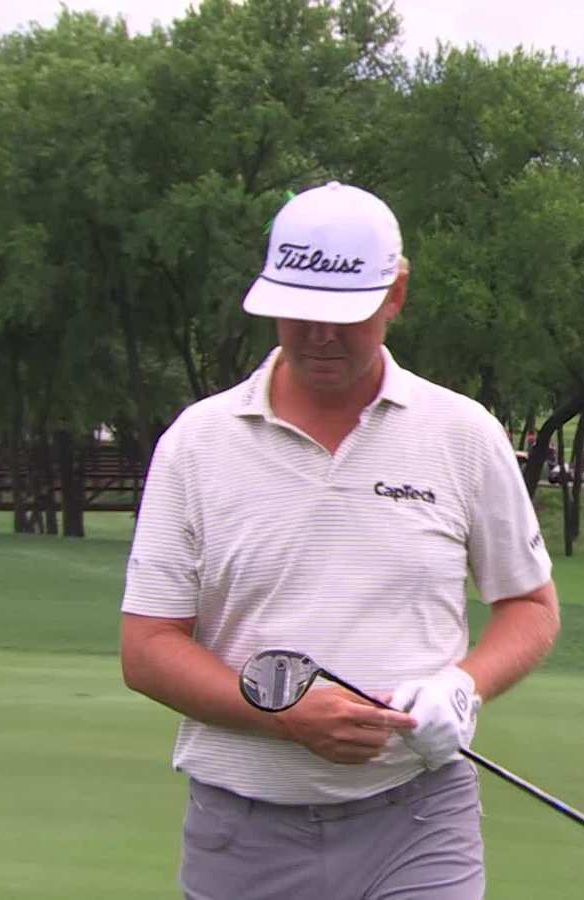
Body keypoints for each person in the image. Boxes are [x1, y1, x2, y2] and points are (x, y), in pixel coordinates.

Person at [119, 181, 560, 900]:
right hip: (244, 833)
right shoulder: (196, 444)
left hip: (420, 818)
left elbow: (531, 607)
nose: (320, 335)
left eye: (344, 314)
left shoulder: (462, 433)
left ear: (397, 293)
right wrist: (285, 715)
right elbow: (147, 650)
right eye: (300, 311)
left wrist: (461, 686)